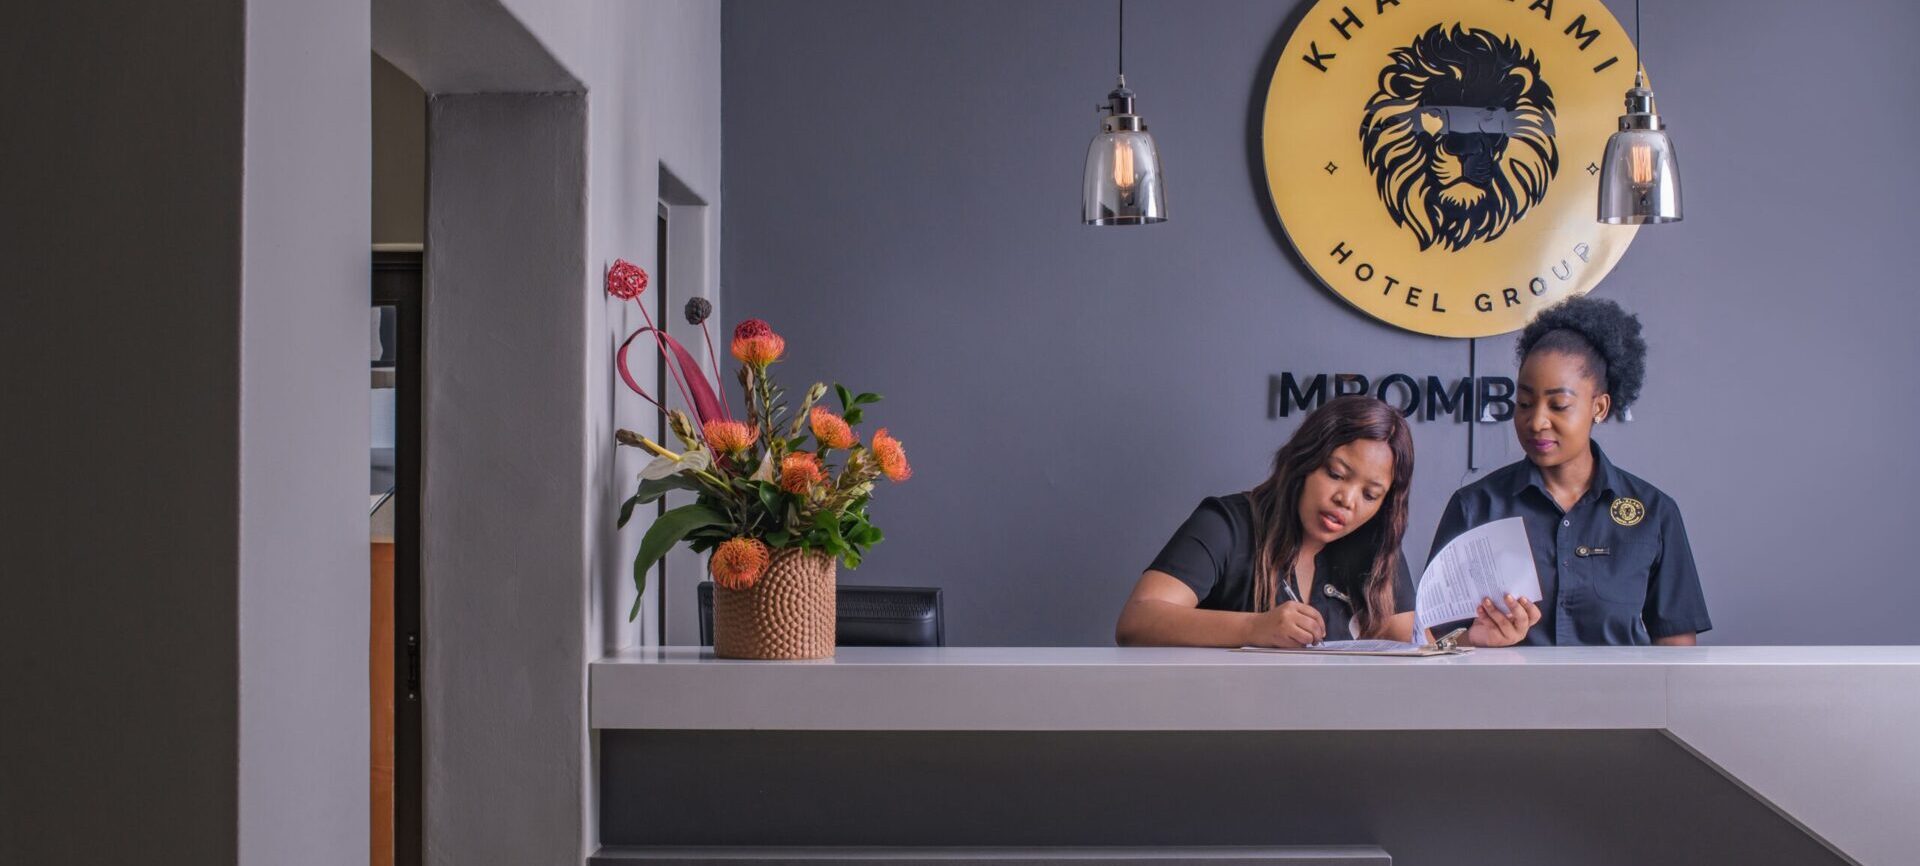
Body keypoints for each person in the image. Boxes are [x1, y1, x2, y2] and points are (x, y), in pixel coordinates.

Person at [1430, 295, 1709, 646]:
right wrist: (1476, 640)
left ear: (1600, 407)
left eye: (1559, 405)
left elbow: (1675, 653)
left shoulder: (1654, 513)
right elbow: (1435, 644)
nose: (1537, 421)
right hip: (1504, 701)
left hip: (1622, 701)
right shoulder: (1474, 508)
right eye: (1525, 403)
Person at [1117, 396, 1417, 647]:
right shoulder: (1227, 525)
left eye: (1370, 494)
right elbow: (1138, 620)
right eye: (1336, 474)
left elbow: (1413, 646)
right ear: (1305, 460)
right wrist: (1253, 627)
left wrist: (1460, 646)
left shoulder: (1377, 548)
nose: (1347, 500)